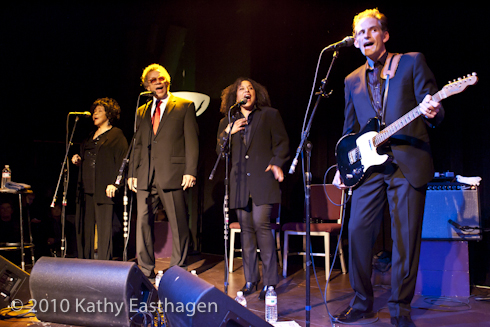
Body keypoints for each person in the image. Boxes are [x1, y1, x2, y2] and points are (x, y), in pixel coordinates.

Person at [332, 9, 444, 327]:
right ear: (354, 41)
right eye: (359, 33)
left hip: (406, 161)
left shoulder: (410, 62)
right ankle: (361, 302)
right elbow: (349, 129)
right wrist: (343, 165)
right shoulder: (351, 79)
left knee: (404, 239)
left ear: (384, 35)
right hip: (370, 167)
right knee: (357, 232)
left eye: (371, 30)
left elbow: (433, 107)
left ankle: (400, 309)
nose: (365, 36)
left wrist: (433, 111)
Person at [217, 77, 289, 300]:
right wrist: (229, 131)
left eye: (250, 89)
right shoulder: (227, 122)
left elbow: (282, 143)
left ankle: (270, 283)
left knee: (261, 225)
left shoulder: (270, 115)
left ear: (256, 94)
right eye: (241, 89)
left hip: (263, 179)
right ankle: (251, 279)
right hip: (239, 184)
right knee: (246, 231)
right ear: (234, 96)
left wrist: (277, 163)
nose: (246, 92)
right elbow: (220, 153)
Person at [126, 64, 199, 280]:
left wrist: (190, 170)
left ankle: (178, 270)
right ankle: (145, 270)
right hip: (145, 174)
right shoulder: (142, 110)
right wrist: (132, 173)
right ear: (147, 86)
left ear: (167, 81)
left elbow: (192, 141)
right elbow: (137, 145)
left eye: (161, 78)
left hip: (173, 173)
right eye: (152, 80)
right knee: (142, 224)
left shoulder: (184, 106)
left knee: (178, 222)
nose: (157, 82)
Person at [72, 97, 128, 260]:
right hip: (86, 186)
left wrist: (116, 184)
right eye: (94, 110)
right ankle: (85, 260)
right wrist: (78, 159)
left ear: (109, 114)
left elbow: (123, 161)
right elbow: (89, 157)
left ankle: (104, 263)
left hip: (104, 187)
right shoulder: (90, 135)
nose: (95, 113)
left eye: (99, 110)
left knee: (104, 229)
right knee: (86, 226)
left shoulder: (116, 135)